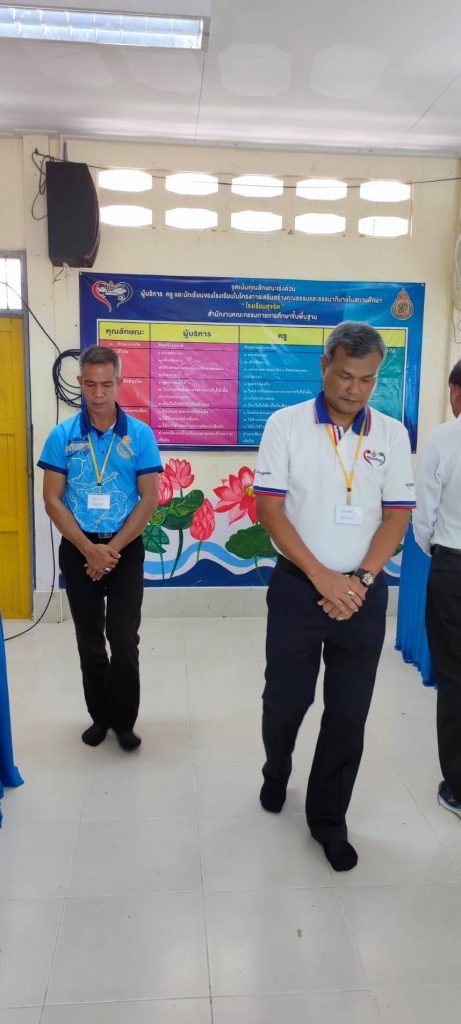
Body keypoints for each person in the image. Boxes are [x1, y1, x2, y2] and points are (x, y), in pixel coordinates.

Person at [254, 321, 415, 871]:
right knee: (286, 702)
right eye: (345, 375)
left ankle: (328, 819)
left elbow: (396, 517)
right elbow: (270, 510)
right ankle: (277, 769)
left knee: (348, 713)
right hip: (300, 590)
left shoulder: (391, 434)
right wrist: (322, 577)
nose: (354, 389)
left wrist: (361, 580)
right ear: (324, 365)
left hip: (362, 594)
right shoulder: (286, 425)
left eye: (367, 380)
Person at [38, 345, 162, 751]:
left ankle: (124, 722)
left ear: (119, 382)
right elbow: (52, 499)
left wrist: (110, 551)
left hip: (125, 550)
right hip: (79, 549)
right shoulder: (62, 436)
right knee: (89, 641)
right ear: (80, 382)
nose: (98, 393)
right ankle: (100, 717)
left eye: (106, 384)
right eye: (90, 384)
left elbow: (148, 499)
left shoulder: (140, 435)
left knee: (123, 639)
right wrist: (88, 549)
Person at [413, 359, 461, 818]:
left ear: (455, 391)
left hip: (454, 568)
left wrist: (436, 550)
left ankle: (459, 789)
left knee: (455, 677)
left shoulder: (443, 439)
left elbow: (423, 515)